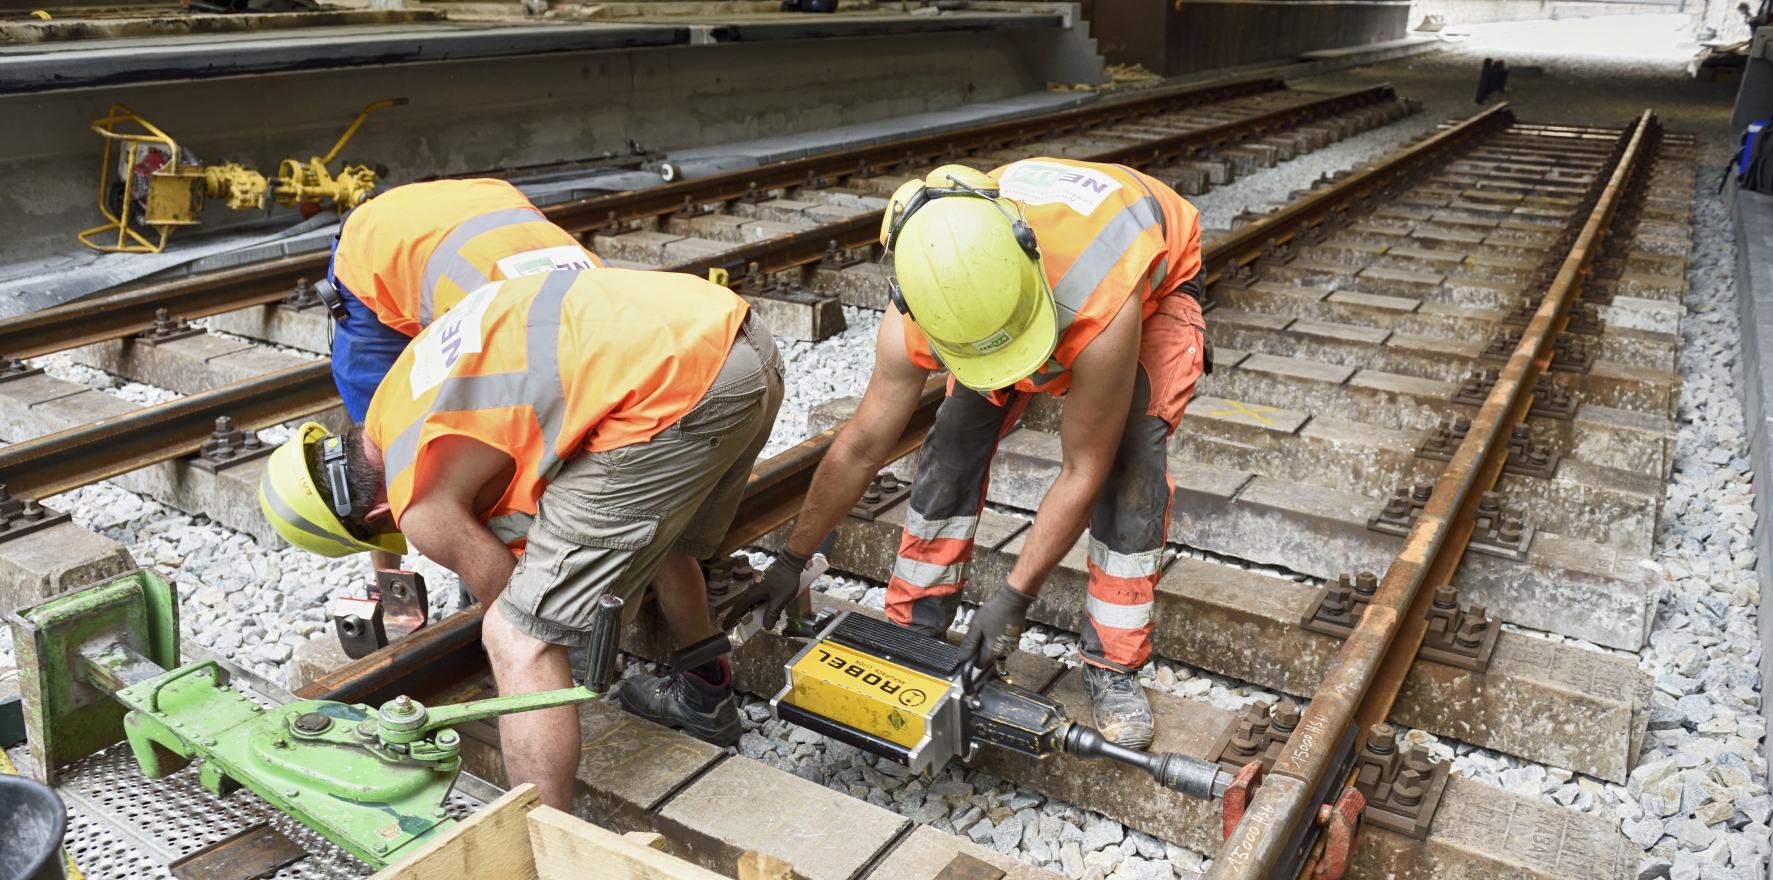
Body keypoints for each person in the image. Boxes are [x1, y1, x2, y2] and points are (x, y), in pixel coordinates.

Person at [259, 268, 784, 810]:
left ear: (373, 510)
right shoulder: (398, 393)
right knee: (666, 539)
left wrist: (534, 659)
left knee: (517, 638)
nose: (401, 533)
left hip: (675, 394)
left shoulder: (414, 501)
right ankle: (706, 691)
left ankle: (541, 838)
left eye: (384, 531)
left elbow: (512, 598)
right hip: (739, 341)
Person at [750, 159, 1207, 749]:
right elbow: (862, 445)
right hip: (1006, 296)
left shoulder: (1103, 294)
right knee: (955, 435)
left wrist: (1014, 598)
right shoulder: (932, 294)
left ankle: (1114, 665)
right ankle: (917, 621)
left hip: (1148, 286)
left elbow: (1082, 470)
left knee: (1128, 463)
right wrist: (792, 557)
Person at [317, 178, 604, 575]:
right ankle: (389, 581)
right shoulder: (512, 342)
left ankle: (457, 532)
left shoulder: (603, 317)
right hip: (379, 239)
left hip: (479, 205)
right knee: (381, 441)